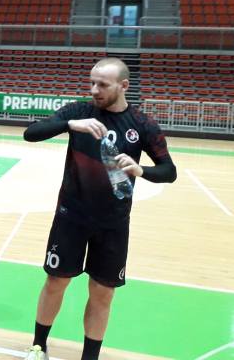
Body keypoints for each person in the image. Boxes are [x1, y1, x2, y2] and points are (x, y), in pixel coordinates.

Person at [22, 58, 177, 360]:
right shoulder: (78, 112)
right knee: (56, 281)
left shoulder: (142, 124)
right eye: (92, 82)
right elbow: (31, 132)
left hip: (113, 223)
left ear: (123, 86)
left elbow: (169, 171)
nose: (94, 89)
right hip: (71, 217)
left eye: (102, 84)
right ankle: (38, 347)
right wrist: (68, 124)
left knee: (102, 292)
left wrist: (141, 170)